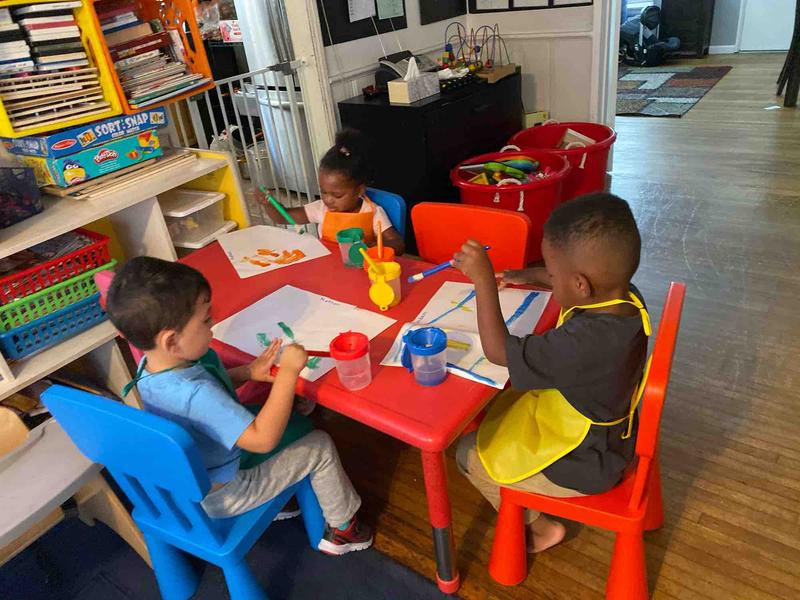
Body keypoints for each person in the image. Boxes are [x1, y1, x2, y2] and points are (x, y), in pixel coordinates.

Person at [106, 257, 372, 555]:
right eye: (206, 319)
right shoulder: (195, 394)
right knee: (320, 445)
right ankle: (344, 528)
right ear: (171, 341)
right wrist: (287, 374)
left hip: (198, 472)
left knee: (290, 414)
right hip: (228, 491)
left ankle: (284, 498)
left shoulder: (151, 366)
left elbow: (207, 402)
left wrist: (247, 372)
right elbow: (262, 439)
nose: (213, 323)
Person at [452, 193, 650, 553]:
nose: (550, 277)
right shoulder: (625, 298)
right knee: (501, 409)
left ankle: (541, 529)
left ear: (580, 286)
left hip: (587, 460)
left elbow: (499, 353)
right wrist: (522, 275)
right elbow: (570, 278)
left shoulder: (584, 343)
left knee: (467, 454)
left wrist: (482, 281)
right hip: (607, 430)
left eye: (552, 273)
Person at [262, 129, 405, 254]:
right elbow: (283, 217)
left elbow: (398, 244)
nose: (328, 200)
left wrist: (375, 247)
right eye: (324, 192)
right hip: (328, 271)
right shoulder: (321, 209)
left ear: (360, 190)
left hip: (364, 270)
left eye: (337, 195)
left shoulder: (372, 212)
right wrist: (269, 205)